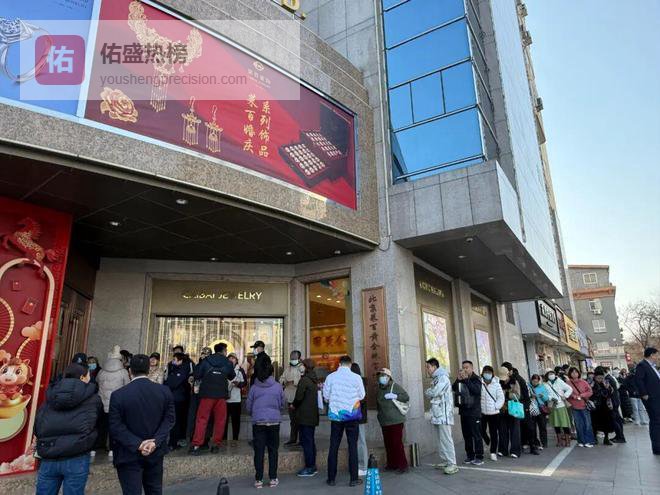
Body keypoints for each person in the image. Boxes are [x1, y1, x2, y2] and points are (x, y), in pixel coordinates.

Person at [109, 354, 175, 495]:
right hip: (155, 451)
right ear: (148, 370)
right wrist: (155, 441)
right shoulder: (164, 391)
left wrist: (138, 444)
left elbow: (115, 426)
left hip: (128, 452)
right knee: (154, 490)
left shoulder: (118, 395)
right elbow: (169, 420)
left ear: (130, 371)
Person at [35, 363, 101, 495]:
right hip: (77, 455)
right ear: (82, 377)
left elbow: (38, 424)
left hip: (49, 455)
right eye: (88, 375)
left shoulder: (50, 397)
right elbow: (98, 424)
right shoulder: (93, 399)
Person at [323, 355, 365, 487]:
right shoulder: (356, 377)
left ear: (339, 364)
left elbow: (325, 396)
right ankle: (353, 479)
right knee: (352, 446)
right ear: (350, 364)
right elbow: (362, 395)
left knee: (334, 446)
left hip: (336, 416)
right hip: (352, 416)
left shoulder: (331, 377)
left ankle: (331, 478)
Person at [190, 343, 236, 455]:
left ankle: (196, 445)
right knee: (220, 420)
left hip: (206, 394)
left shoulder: (206, 360)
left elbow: (197, 374)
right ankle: (216, 445)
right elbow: (232, 376)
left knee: (202, 419)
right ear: (224, 351)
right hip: (221, 396)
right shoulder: (227, 362)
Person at [246, 359, 286, 489]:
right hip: (274, 422)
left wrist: (255, 414)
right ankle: (273, 478)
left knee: (259, 451)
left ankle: (258, 480)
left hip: (258, 422)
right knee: (273, 450)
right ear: (271, 373)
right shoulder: (278, 386)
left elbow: (248, 406)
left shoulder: (254, 387)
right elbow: (282, 404)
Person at [425, 358, 458, 475]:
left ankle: (452, 463)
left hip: (444, 414)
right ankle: (446, 460)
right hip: (438, 414)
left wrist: (429, 391)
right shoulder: (437, 378)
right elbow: (433, 391)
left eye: (428, 367)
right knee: (440, 440)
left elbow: (434, 392)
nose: (427, 370)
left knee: (446, 439)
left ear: (434, 367)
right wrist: (430, 391)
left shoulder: (443, 378)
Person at [97, 345, 130, 458]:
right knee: (115, 425)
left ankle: (97, 447)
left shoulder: (101, 371)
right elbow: (127, 386)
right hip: (116, 403)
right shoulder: (123, 372)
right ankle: (112, 448)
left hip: (102, 402)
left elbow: (97, 382)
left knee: (102, 425)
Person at [376, 368, 409, 474]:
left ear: (389, 377)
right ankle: (392, 464)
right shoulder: (380, 389)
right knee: (388, 444)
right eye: (380, 375)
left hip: (395, 421)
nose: (381, 377)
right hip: (384, 420)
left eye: (384, 375)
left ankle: (403, 465)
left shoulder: (395, 386)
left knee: (397, 443)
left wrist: (395, 396)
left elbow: (406, 397)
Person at [452, 360, 484, 465]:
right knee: (466, 435)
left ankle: (479, 456)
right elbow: (453, 388)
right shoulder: (461, 379)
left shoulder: (476, 379)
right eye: (463, 368)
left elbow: (476, 391)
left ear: (472, 368)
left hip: (474, 412)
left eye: (467, 367)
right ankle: (470, 455)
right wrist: (458, 379)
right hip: (464, 412)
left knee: (476, 435)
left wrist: (466, 380)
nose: (465, 370)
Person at [293, 358, 320, 477]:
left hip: (304, 415)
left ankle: (310, 467)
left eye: (302, 365)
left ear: (305, 367)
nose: (300, 367)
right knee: (310, 441)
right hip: (312, 415)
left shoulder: (304, 380)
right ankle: (313, 465)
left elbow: (299, 397)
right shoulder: (314, 379)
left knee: (307, 442)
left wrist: (293, 405)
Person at [164, 352, 191, 451]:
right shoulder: (172, 369)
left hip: (178, 399)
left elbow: (172, 383)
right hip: (172, 398)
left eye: (174, 360)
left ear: (180, 361)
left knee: (176, 422)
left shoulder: (182, 370)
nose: (172, 361)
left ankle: (173, 443)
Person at [635, 347, 660, 455]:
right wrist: (644, 394)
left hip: (656, 397)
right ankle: (657, 447)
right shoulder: (642, 365)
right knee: (655, 421)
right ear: (651, 355)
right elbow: (639, 380)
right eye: (657, 355)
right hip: (651, 398)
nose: (658, 357)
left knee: (658, 421)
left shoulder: (651, 366)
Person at [186, 346, 212, 444]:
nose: (204, 355)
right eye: (203, 353)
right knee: (194, 416)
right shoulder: (198, 365)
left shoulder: (211, 366)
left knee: (205, 418)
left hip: (206, 395)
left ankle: (205, 439)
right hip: (196, 394)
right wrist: (191, 378)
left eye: (207, 354)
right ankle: (193, 437)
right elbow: (194, 375)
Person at [566, 367, 595, 448]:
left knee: (587, 424)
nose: (574, 374)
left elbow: (590, 392)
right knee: (578, 424)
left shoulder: (583, 382)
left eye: (576, 372)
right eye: (572, 372)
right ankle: (581, 441)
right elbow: (565, 393)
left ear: (578, 373)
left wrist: (581, 395)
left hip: (584, 406)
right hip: (574, 406)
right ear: (570, 374)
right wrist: (573, 396)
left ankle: (589, 441)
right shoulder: (567, 383)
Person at [480, 365, 504, 461]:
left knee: (493, 432)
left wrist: (496, 406)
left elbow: (501, 398)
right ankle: (487, 441)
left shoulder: (496, 384)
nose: (487, 374)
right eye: (485, 372)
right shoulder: (480, 383)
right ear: (482, 373)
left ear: (492, 374)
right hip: (482, 412)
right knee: (481, 430)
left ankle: (493, 452)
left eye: (489, 372)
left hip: (494, 413)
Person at [545, 369, 573, 447]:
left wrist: (565, 396)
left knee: (564, 424)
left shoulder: (559, 381)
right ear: (547, 375)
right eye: (549, 374)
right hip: (553, 406)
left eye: (552, 373)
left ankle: (567, 441)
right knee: (556, 424)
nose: (551, 375)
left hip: (561, 405)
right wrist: (551, 398)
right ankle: (559, 441)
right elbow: (546, 394)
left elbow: (569, 389)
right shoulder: (546, 384)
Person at [280, 350, 303, 447]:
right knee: (292, 420)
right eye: (291, 357)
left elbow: (303, 380)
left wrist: (294, 382)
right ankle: (293, 439)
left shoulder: (302, 368)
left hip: (299, 398)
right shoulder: (288, 368)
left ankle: (301, 440)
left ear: (299, 358)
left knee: (300, 420)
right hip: (290, 397)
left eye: (294, 357)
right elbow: (281, 378)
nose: (292, 359)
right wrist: (284, 382)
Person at [498, 366, 522, 458]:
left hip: (513, 408)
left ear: (508, 374)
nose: (503, 379)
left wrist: (507, 393)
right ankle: (502, 450)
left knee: (515, 431)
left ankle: (515, 451)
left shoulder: (514, 382)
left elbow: (518, 396)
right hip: (502, 409)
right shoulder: (498, 383)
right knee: (502, 430)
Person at [350, 362, 369, 476]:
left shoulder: (360, 382)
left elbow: (361, 399)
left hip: (358, 415)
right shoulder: (358, 381)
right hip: (356, 416)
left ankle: (363, 466)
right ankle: (358, 465)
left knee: (361, 440)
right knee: (358, 440)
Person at [224, 352, 246, 446]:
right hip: (225, 399)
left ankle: (235, 439)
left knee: (235, 420)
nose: (231, 360)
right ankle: (223, 439)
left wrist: (238, 384)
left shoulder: (240, 370)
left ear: (236, 360)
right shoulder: (224, 369)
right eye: (229, 358)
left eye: (233, 358)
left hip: (236, 399)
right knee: (223, 420)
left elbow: (244, 382)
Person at [599, 366, 626, 443]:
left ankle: (620, 437)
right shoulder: (611, 377)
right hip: (615, 400)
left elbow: (608, 391)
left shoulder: (607, 379)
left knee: (615, 420)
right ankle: (619, 436)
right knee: (617, 419)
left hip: (612, 402)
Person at [591, 370, 616, 445]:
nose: (600, 380)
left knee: (607, 423)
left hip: (605, 406)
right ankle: (594, 438)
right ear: (595, 377)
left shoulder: (606, 383)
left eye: (602, 378)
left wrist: (607, 388)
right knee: (595, 423)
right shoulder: (592, 384)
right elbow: (591, 394)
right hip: (595, 407)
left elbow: (610, 393)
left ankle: (606, 438)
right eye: (598, 378)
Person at [529, 374, 550, 449]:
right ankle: (536, 443)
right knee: (533, 428)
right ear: (531, 381)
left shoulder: (542, 387)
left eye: (536, 381)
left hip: (541, 409)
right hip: (532, 409)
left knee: (542, 427)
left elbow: (546, 398)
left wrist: (542, 396)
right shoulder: (528, 387)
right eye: (534, 381)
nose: (535, 383)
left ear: (539, 381)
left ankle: (544, 442)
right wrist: (531, 396)